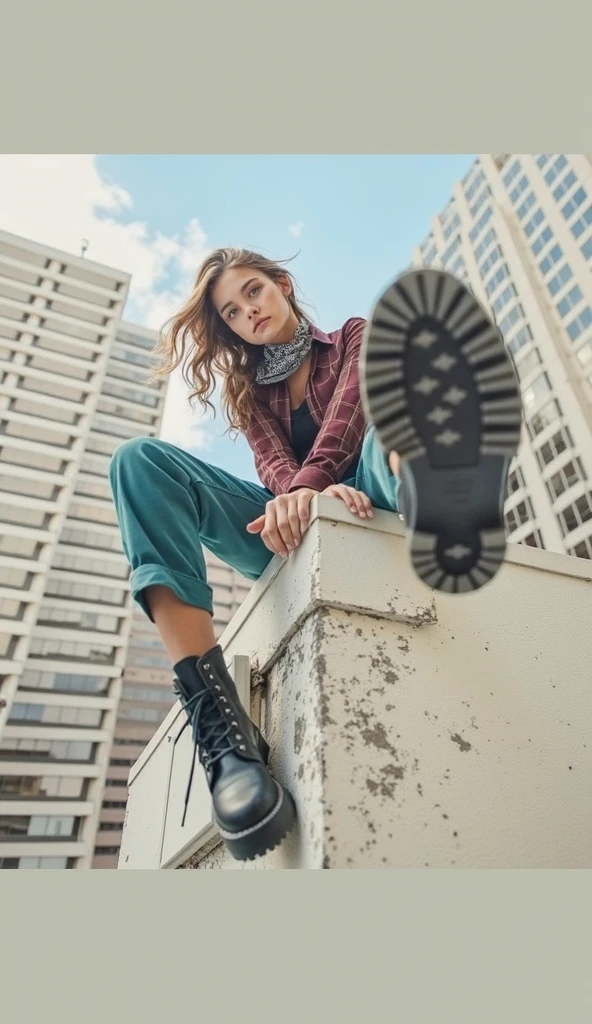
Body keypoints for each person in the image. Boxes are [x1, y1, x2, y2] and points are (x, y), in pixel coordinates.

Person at [109, 248, 522, 861]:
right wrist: (303, 497)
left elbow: (347, 426)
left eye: (253, 292)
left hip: (371, 496)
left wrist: (317, 488)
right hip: (291, 531)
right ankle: (222, 734)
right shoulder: (247, 391)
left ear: (281, 285)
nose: (248, 312)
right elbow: (275, 469)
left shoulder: (354, 337)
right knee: (139, 463)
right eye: (231, 311)